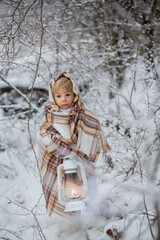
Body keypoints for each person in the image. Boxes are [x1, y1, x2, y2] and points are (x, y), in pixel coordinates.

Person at [37, 72, 111, 218]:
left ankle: (94, 222)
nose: (63, 99)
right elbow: (43, 136)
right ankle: (74, 225)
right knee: (67, 194)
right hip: (62, 161)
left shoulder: (83, 114)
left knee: (89, 193)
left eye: (67, 94)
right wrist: (59, 140)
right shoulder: (50, 116)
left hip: (83, 160)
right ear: (53, 97)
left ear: (75, 94)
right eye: (58, 96)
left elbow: (93, 129)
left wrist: (79, 141)